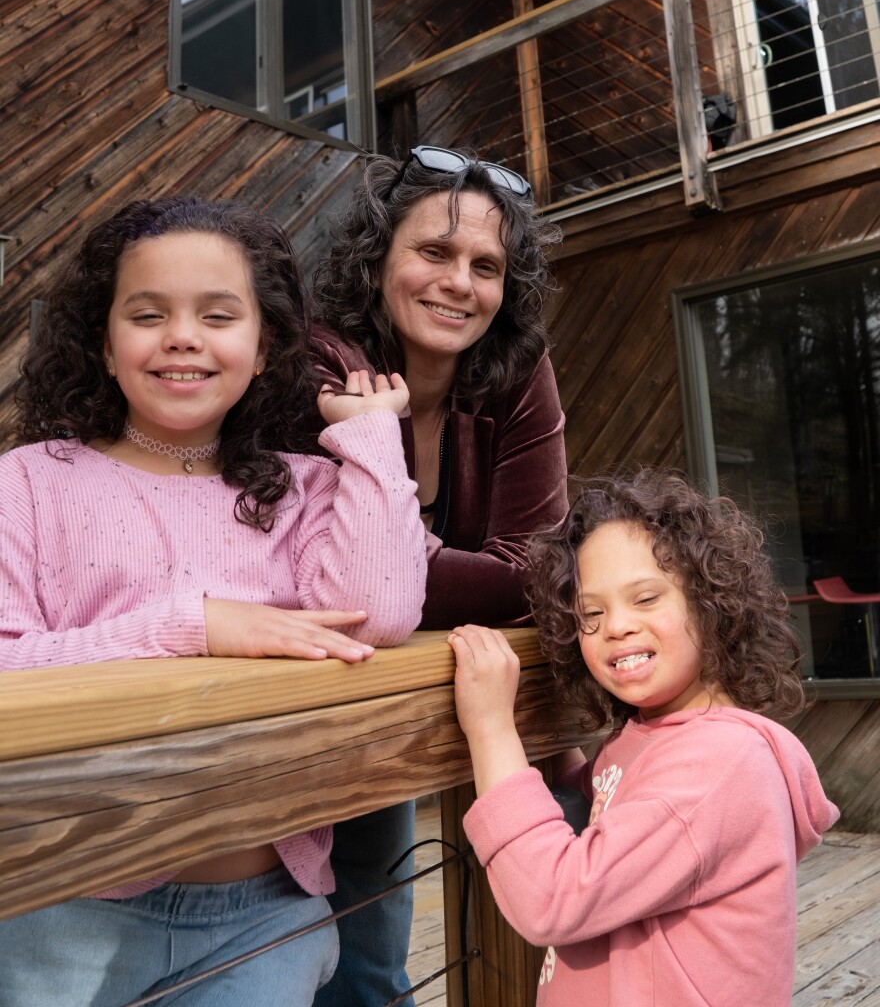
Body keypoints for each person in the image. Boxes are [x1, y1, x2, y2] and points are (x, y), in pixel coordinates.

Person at [0, 195, 427, 1007]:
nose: (182, 336)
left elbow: (380, 614)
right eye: (148, 313)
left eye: (218, 315)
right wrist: (188, 628)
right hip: (62, 904)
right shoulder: (29, 483)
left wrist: (372, 434)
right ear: (103, 340)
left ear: (264, 348)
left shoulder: (307, 490)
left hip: (263, 919)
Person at [310, 146, 568, 1007]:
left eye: (486, 266)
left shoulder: (517, 371)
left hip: (436, 686)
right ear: (378, 255)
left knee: (387, 951)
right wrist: (444, 568)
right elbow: (330, 575)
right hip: (319, 692)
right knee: (336, 957)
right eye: (434, 252)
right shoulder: (315, 361)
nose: (460, 282)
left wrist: (404, 554)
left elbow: (531, 568)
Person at [449, 469, 839, 1007]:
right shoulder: (659, 735)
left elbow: (553, 897)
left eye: (646, 598)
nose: (617, 626)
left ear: (712, 602)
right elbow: (606, 800)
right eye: (591, 612)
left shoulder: (716, 765)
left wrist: (491, 729)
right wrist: (544, 738)